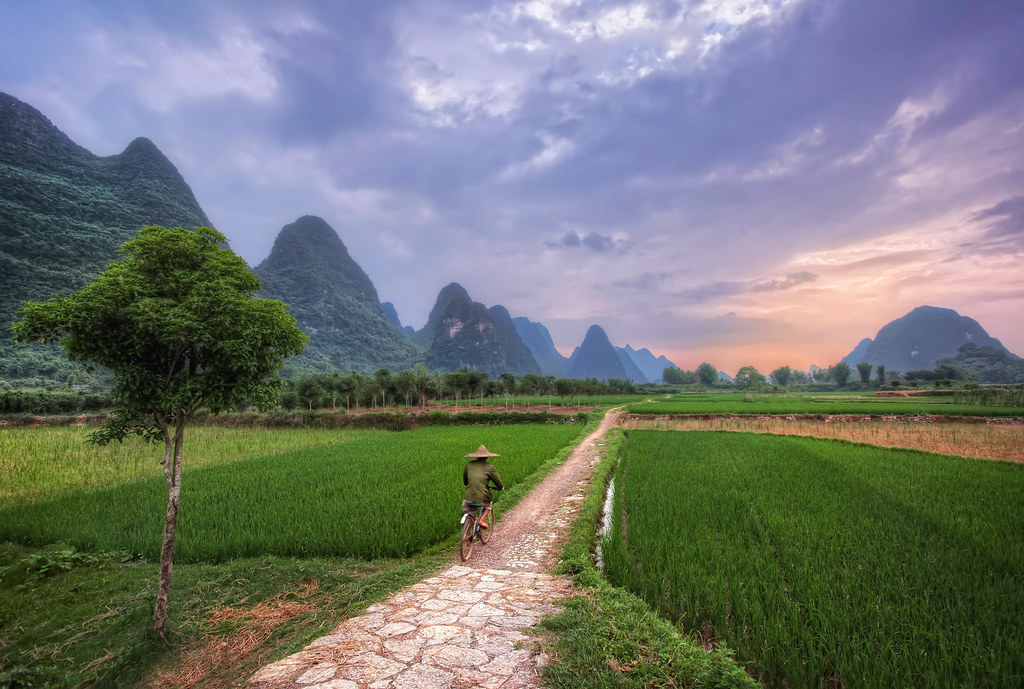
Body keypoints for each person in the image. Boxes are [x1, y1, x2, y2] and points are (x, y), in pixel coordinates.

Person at [463, 445, 503, 530]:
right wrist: (500, 487)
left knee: (469, 512)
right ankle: (481, 520)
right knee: (488, 505)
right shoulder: (489, 467)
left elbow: (465, 481)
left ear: (476, 456)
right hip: (482, 497)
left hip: (468, 496)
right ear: (486, 456)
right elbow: (497, 482)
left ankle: (466, 536)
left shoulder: (469, 464)